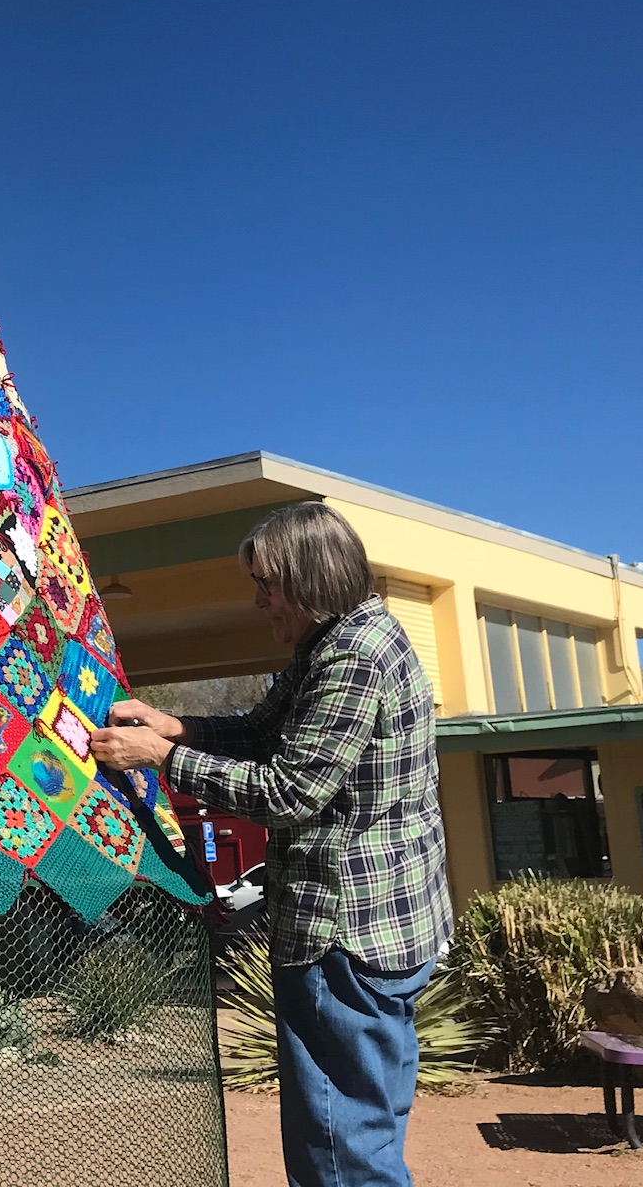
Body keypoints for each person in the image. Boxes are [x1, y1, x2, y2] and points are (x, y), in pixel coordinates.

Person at [91, 500, 450, 1187]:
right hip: (390, 928)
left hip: (345, 935)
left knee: (342, 1152)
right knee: (365, 1128)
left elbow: (291, 793)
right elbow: (263, 730)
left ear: (312, 579)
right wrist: (177, 727)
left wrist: (159, 759)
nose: (259, 602)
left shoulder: (352, 657)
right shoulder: (337, 641)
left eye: (268, 584)